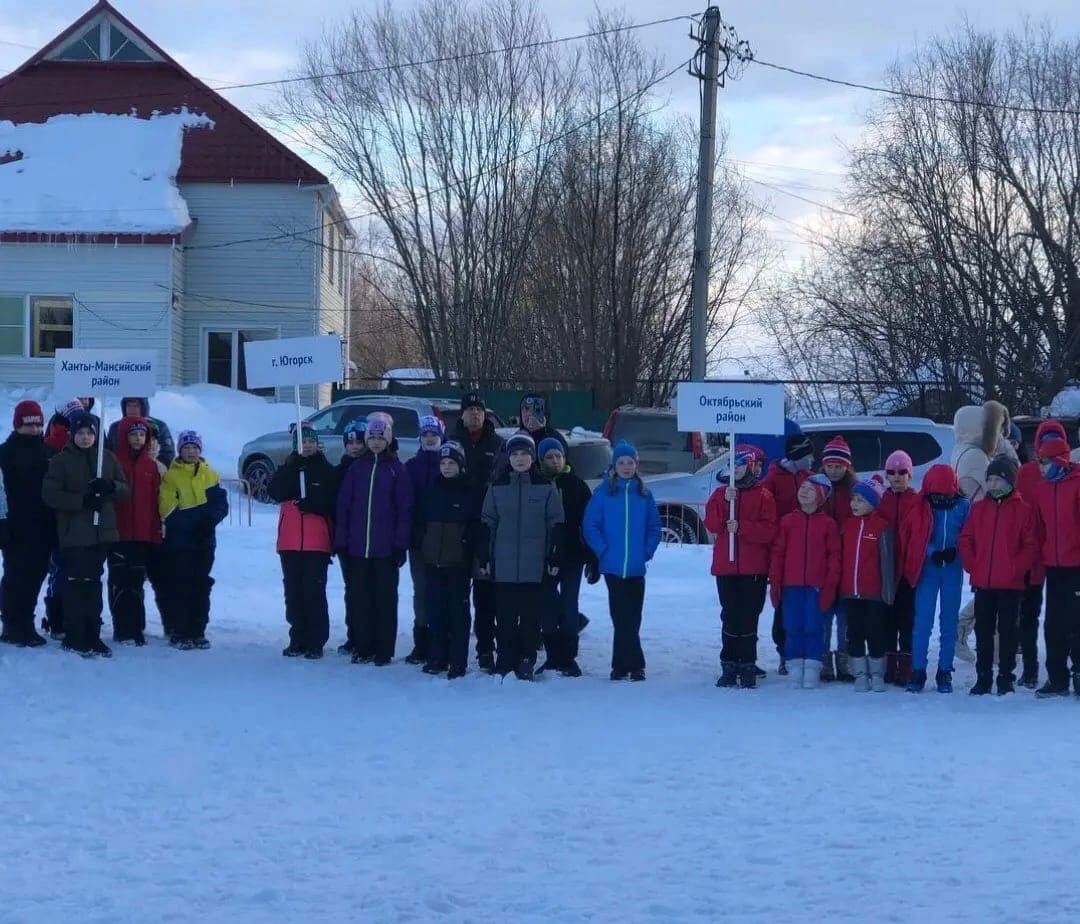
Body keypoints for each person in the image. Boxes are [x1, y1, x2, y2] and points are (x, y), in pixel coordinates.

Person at [41, 410, 129, 657]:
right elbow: (50, 494)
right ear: (72, 434)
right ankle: (75, 633)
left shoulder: (107, 459)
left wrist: (110, 486)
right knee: (76, 584)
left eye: (89, 433)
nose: (85, 437)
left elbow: (124, 490)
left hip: (102, 533)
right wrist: (82, 501)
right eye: (80, 433)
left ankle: (93, 633)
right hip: (75, 534)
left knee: (93, 584)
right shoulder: (61, 461)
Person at [479, 433, 564, 681]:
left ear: (532, 457)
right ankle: (505, 657)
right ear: (508, 457)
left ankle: (527, 658)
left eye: (524, 454)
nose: (519, 458)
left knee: (529, 617)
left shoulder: (545, 487)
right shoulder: (497, 487)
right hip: (503, 566)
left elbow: (556, 523)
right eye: (514, 454)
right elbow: (487, 523)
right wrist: (484, 555)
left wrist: (554, 557)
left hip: (533, 566)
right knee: (504, 616)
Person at [335, 412, 413, 665]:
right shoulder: (357, 468)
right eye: (373, 438)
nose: (377, 442)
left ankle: (383, 648)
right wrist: (342, 541)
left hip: (385, 549)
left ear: (388, 440)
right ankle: (363, 645)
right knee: (360, 597)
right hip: (358, 548)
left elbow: (404, 508)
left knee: (384, 598)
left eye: (381, 438)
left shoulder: (396, 470)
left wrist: (400, 544)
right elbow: (344, 505)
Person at [958, 457, 1040, 696]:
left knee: (1007, 633)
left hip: (1011, 586)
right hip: (983, 584)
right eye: (990, 479)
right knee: (983, 632)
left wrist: (1016, 568)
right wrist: (973, 565)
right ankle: (983, 677)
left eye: (998, 479)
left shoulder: (1022, 510)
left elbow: (1030, 545)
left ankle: (1006, 677)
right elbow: (966, 539)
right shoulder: (980, 508)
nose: (993, 484)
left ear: (1010, 481)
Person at [583, 441, 662, 682]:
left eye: (630, 462)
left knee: (633, 617)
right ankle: (634, 665)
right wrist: (602, 550)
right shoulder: (604, 493)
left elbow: (654, 526)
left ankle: (620, 665)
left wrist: (647, 551)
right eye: (621, 462)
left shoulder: (644, 494)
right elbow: (591, 524)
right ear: (614, 465)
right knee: (620, 616)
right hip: (613, 566)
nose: (626, 467)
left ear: (636, 465)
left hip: (637, 566)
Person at [704, 444, 777, 689]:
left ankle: (747, 662)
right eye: (734, 465)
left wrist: (743, 527)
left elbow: (768, 531)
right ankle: (729, 663)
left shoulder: (763, 495)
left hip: (752, 568)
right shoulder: (720, 494)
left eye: (743, 465)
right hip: (727, 567)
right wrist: (724, 504)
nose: (737, 469)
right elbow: (712, 525)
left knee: (748, 617)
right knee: (730, 616)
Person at [951, 400, 1017, 661]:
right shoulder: (976, 456)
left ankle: (972, 633)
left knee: (990, 589)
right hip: (989, 532)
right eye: (996, 428)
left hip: (979, 530)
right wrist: (1004, 448)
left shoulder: (960, 450)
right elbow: (1007, 487)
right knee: (994, 591)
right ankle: (971, 634)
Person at [900, 464, 971, 693]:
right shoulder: (921, 505)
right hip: (928, 568)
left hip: (952, 567)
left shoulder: (962, 506)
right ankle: (918, 670)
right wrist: (931, 552)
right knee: (923, 622)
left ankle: (944, 670)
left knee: (949, 620)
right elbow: (912, 537)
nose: (941, 499)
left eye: (945, 494)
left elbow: (969, 535)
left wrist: (955, 550)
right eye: (936, 495)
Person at [268, 424, 337, 659]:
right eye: (302, 442)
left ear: (317, 443)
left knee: (313, 591)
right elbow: (275, 492)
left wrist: (313, 504)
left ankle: (316, 640)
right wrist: (291, 467)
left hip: (316, 542)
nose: (306, 445)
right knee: (294, 592)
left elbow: (331, 502)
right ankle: (297, 638)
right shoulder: (289, 467)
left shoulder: (327, 471)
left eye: (310, 441)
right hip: (290, 540)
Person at [769, 474, 841, 690]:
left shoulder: (828, 525)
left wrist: (829, 586)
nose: (804, 491)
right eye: (803, 487)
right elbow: (778, 554)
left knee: (813, 627)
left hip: (816, 587)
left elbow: (834, 558)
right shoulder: (788, 522)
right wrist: (776, 583)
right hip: (791, 587)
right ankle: (794, 665)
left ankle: (811, 667)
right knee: (792, 626)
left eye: (810, 489)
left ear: (820, 497)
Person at [416, 441, 481, 678]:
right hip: (433, 560)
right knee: (436, 611)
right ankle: (437, 657)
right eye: (443, 463)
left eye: (451, 462)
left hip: (458, 563)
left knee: (458, 613)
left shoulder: (470, 490)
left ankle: (458, 661)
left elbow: (476, 525)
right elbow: (420, 521)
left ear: (461, 464)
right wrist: (422, 543)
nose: (446, 467)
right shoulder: (432, 489)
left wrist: (467, 546)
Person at [158, 431, 229, 650]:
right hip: (180, 542)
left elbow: (220, 505)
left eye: (194, 448)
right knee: (181, 585)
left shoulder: (211, 475)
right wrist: (193, 522)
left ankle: (198, 630)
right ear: (180, 450)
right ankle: (180, 631)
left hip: (205, 541)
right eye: (187, 448)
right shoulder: (171, 476)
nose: (191, 452)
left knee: (201, 585)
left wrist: (208, 522)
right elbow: (167, 509)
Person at [452, 392, 505, 673]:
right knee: (457, 595)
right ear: (461, 414)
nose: (474, 414)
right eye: (470, 409)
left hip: (487, 529)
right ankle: (452, 648)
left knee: (486, 596)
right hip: (457, 529)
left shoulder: (497, 445)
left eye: (479, 410)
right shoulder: (453, 443)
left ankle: (486, 649)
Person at [1028, 421, 1080, 698]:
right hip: (1053, 565)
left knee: (1077, 623)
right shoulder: (1043, 489)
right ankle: (1057, 678)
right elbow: (1039, 528)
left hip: (1077, 565)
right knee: (1054, 623)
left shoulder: (1077, 482)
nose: (1041, 465)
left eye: (1044, 460)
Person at [536, 436, 596, 677]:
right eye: (549, 457)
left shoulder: (577, 485)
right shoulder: (536, 484)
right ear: (541, 460)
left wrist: (592, 556)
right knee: (547, 607)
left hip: (572, 555)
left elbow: (589, 523)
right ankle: (552, 656)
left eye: (558, 456)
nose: (555, 460)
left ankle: (568, 658)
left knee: (570, 606)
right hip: (543, 556)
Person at [0, 400, 55, 647]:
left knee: (35, 576)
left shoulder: (50, 453)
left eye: (38, 425)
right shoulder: (4, 453)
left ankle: (26, 622)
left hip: (42, 527)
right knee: (15, 576)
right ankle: (12, 625)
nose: (34, 429)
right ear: (17, 424)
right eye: (29, 425)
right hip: (14, 527)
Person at [760, 433, 814, 674]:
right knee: (783, 605)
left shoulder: (810, 478)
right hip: (781, 551)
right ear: (797, 456)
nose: (813, 459)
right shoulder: (772, 480)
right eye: (808, 455)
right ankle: (784, 652)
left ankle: (805, 652)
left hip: (807, 552)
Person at [107, 416, 163, 646]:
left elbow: (157, 501)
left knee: (136, 582)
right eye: (133, 434)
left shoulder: (151, 466)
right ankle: (122, 629)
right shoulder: (113, 461)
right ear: (124, 437)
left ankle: (136, 628)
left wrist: (155, 531)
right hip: (118, 534)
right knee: (119, 581)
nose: (138, 439)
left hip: (142, 534)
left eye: (142, 435)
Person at [839, 478, 895, 692]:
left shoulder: (881, 527)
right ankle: (860, 673)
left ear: (873, 503)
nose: (854, 504)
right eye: (853, 499)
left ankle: (877, 673)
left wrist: (887, 593)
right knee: (854, 633)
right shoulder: (848, 525)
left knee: (875, 633)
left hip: (874, 594)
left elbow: (887, 562)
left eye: (860, 500)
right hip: (851, 593)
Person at [877, 450, 921, 687]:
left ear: (909, 474)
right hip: (886, 570)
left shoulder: (916, 500)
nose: (896, 477)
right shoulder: (881, 500)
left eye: (901, 472)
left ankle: (906, 664)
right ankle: (889, 663)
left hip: (908, 571)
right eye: (891, 472)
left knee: (907, 620)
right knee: (887, 619)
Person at [403, 415, 445, 665]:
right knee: (421, 591)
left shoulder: (450, 462)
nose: (430, 438)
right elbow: (406, 503)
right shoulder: (412, 466)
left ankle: (441, 639)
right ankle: (422, 641)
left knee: (442, 591)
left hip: (445, 540)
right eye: (425, 434)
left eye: (434, 434)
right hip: (419, 539)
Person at [819, 435, 857, 682]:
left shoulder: (853, 490)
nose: (833, 471)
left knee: (844, 617)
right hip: (822, 563)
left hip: (847, 562)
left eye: (838, 466)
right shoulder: (817, 488)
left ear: (847, 467)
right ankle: (823, 658)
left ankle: (844, 659)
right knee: (823, 614)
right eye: (829, 466)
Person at [1014, 436, 1047, 688]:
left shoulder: (1071, 473)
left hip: (1064, 553)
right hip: (1030, 552)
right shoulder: (1025, 473)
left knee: (1064, 616)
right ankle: (1030, 668)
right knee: (1028, 615)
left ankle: (1066, 666)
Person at [335, 417, 367, 655]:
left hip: (368, 539)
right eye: (351, 442)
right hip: (347, 539)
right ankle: (354, 635)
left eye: (359, 442)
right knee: (352, 590)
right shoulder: (340, 471)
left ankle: (367, 635)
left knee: (368, 589)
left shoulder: (371, 468)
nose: (355, 446)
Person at [105, 397, 176, 466]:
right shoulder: (115, 428)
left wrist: (154, 462)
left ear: (144, 407)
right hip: (122, 474)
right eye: (129, 406)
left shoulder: (159, 427)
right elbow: (108, 454)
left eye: (136, 406)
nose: (132, 410)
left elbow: (168, 457)